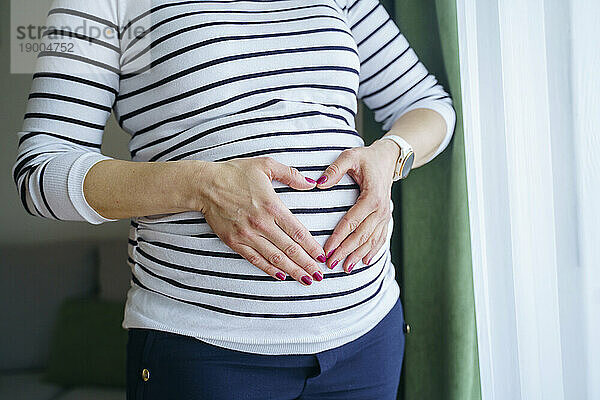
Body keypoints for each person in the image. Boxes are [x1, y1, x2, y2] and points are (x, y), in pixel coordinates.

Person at [12, 0, 456, 398]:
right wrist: (203, 186)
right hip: (205, 355)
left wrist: (391, 154)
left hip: (368, 336)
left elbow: (428, 105)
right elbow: (40, 169)